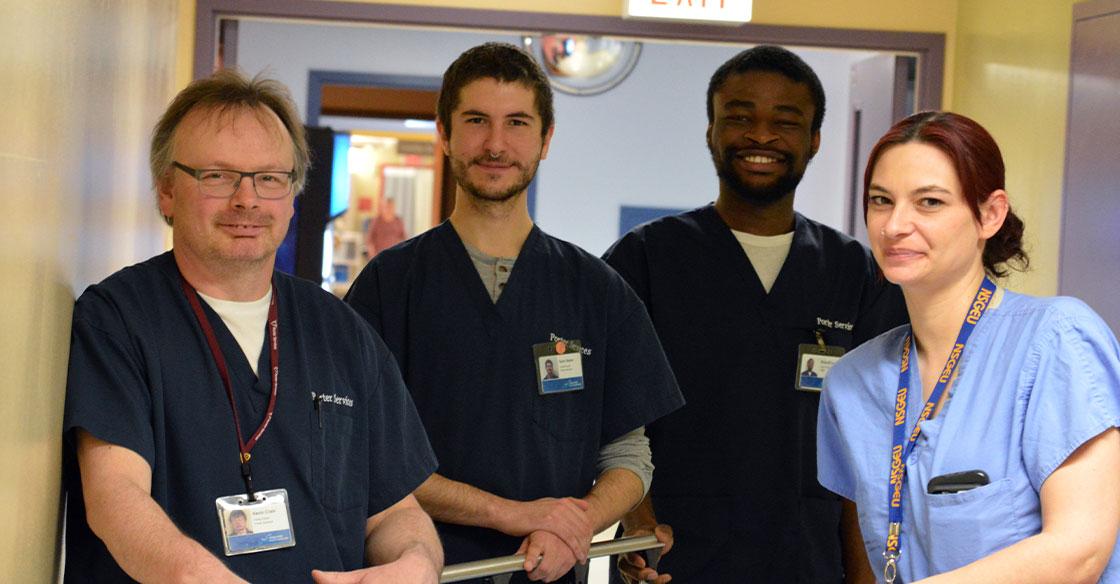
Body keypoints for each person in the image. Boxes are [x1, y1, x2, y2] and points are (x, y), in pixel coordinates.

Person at [62, 70, 443, 582]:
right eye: (217, 176)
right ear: (167, 192)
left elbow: (395, 512)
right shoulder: (117, 321)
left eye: (269, 178)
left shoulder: (342, 333)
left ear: (292, 196)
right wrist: (197, 574)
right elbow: (114, 498)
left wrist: (415, 563)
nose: (247, 200)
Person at [345, 43, 684, 584]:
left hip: (549, 572)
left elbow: (628, 452)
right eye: (476, 120)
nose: (496, 144)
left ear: (545, 139)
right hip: (424, 571)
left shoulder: (597, 290)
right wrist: (517, 515)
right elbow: (366, 455)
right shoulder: (390, 287)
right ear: (444, 133)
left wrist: (574, 525)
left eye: (517, 123)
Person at [603, 45, 908, 583]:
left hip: (809, 562)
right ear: (710, 131)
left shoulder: (855, 273)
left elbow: (872, 444)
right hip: (677, 560)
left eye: (785, 121)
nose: (761, 137)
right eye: (739, 118)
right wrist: (635, 521)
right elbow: (612, 415)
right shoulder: (645, 260)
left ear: (813, 140)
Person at [817, 111, 1120, 583]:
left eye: (930, 202)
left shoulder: (1056, 340)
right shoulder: (853, 381)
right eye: (881, 201)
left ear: (990, 214)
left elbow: (1079, 551)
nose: (896, 225)